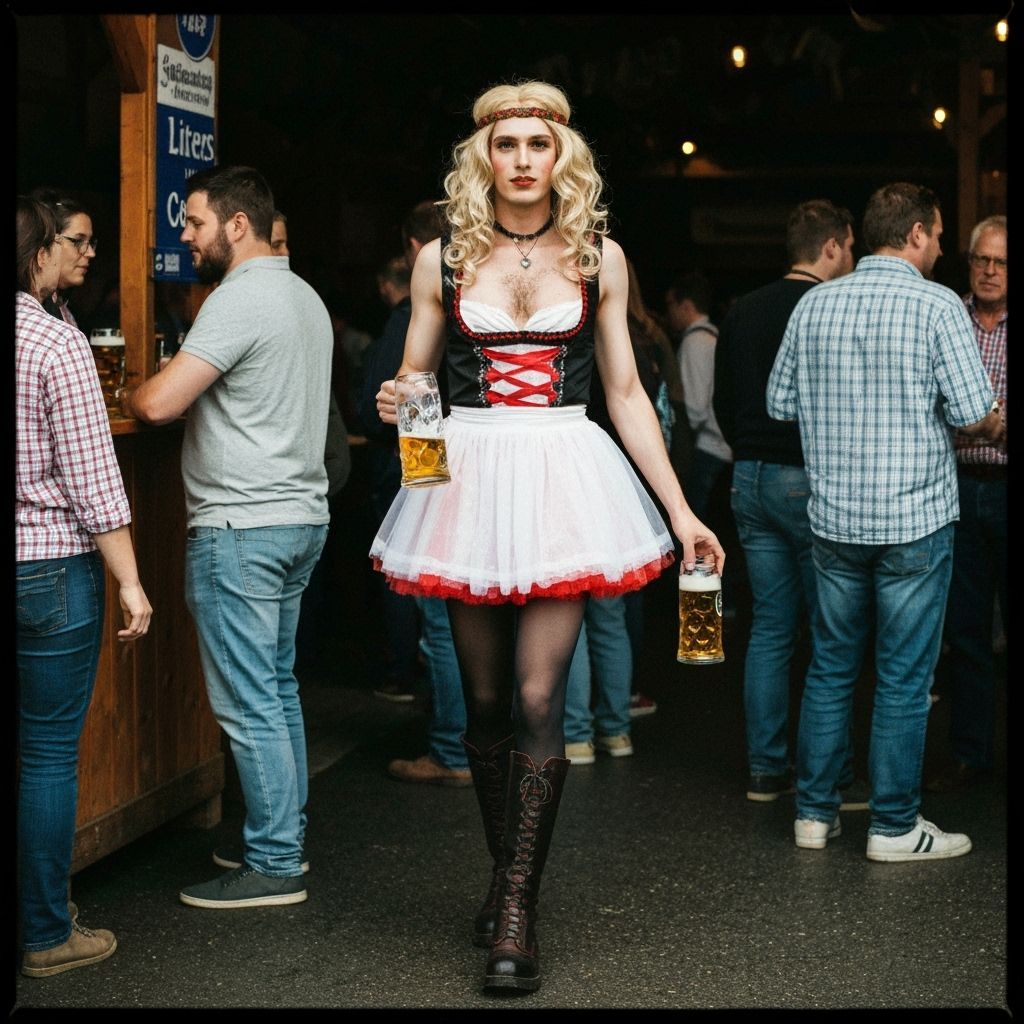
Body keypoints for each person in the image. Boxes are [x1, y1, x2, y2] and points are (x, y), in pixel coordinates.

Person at [370, 81, 724, 992]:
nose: (523, 159)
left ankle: (517, 905)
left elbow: (627, 394)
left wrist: (682, 513)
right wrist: (401, 401)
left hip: (566, 475)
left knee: (538, 700)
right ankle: (505, 873)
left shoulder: (601, 259)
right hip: (470, 480)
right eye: (506, 144)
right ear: (482, 157)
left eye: (538, 144)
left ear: (560, 156)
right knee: (483, 705)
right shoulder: (441, 259)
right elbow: (416, 378)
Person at [766, 182, 1004, 862]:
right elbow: (969, 410)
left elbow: (780, 402)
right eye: (937, 238)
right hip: (913, 521)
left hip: (835, 519)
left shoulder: (815, 302)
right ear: (921, 233)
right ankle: (894, 826)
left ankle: (814, 814)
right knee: (904, 674)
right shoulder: (936, 306)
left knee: (832, 665)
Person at [123, 165, 333, 906]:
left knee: (250, 702)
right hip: (300, 516)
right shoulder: (303, 294)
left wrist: (127, 384)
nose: (186, 237)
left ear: (236, 225)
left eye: (195, 223)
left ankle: (275, 860)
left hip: (243, 524)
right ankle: (280, 840)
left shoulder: (239, 299)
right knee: (275, 689)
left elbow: (157, 405)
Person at [16, 195, 153, 977]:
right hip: (48, 568)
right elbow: (96, 484)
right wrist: (132, 582)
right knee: (44, 756)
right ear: (39, 254)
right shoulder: (55, 341)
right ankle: (43, 935)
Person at [713, 198, 867, 807]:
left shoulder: (743, 310)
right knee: (833, 631)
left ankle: (765, 769)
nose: (852, 259)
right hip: (805, 475)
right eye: (850, 248)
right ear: (831, 246)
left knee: (771, 627)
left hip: (747, 476)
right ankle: (828, 776)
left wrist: (745, 449)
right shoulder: (826, 308)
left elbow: (723, 400)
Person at [360, 203, 472, 782]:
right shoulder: (471, 291)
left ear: (415, 248)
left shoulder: (428, 303)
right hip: (471, 471)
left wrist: (422, 477)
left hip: (445, 473)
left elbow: (415, 393)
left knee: (443, 623)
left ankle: (454, 750)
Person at [925, 215, 1007, 794]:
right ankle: (972, 754)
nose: (990, 270)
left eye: (1001, 262)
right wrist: (986, 421)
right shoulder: (946, 315)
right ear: (969, 261)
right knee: (968, 632)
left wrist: (971, 421)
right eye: (982, 259)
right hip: (956, 489)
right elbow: (931, 408)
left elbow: (960, 416)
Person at [665, 270, 732, 523]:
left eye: (670, 304)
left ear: (686, 305)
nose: (668, 312)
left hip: (706, 449)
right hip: (720, 446)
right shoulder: (714, 336)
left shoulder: (695, 341)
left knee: (695, 526)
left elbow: (694, 408)